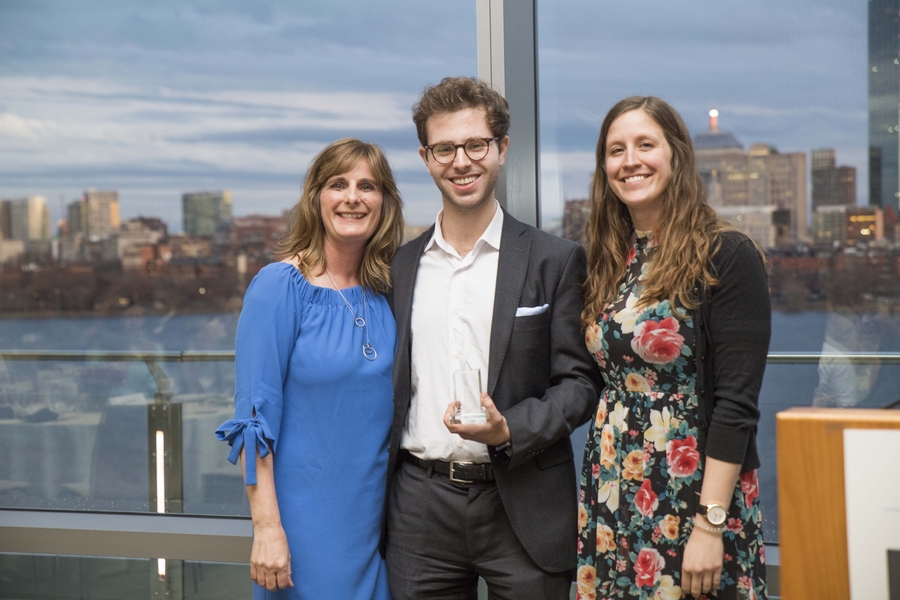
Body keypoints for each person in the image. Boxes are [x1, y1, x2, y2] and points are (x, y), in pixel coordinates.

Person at [383, 76, 602, 600]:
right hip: (419, 509)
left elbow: (580, 382)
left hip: (524, 504)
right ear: (426, 157)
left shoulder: (556, 259)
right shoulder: (399, 266)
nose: (461, 161)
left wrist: (510, 431)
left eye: (475, 144)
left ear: (501, 149)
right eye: (444, 149)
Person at [576, 97, 769, 600]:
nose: (630, 160)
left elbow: (737, 404)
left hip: (693, 493)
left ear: (676, 154)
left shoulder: (726, 253)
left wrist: (710, 525)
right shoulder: (608, 258)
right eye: (615, 150)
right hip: (614, 487)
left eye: (645, 144)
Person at [215, 138, 404, 599]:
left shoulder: (389, 292)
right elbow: (254, 423)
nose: (352, 197)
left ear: (385, 202)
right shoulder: (279, 288)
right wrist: (267, 529)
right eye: (337, 184)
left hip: (381, 523)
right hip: (304, 527)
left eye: (367, 185)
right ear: (316, 197)